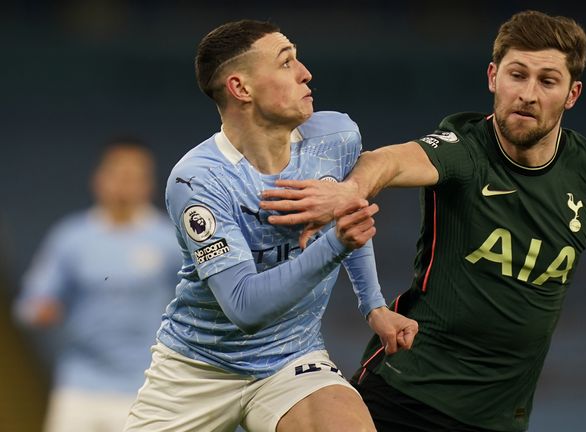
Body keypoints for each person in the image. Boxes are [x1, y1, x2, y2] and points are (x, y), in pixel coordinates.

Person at [259, 10, 586, 432]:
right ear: (492, 77)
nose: (527, 94)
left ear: (572, 94)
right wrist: (351, 189)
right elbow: (390, 161)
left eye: (547, 81)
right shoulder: (465, 148)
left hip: (499, 418)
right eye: (516, 75)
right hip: (404, 395)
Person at [123, 20, 418, 432]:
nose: (305, 73)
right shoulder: (199, 181)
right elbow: (246, 308)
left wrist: (374, 305)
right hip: (198, 370)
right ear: (241, 89)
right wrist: (334, 242)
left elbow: (351, 222)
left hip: (292, 360)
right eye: (286, 63)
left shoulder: (336, 137)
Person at [15, 139, 180, 432]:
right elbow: (30, 303)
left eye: (134, 176)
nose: (124, 183)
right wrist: (39, 310)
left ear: (148, 183)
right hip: (80, 383)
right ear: (99, 178)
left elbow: (195, 302)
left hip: (144, 383)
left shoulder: (169, 241)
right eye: (117, 173)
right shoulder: (71, 238)